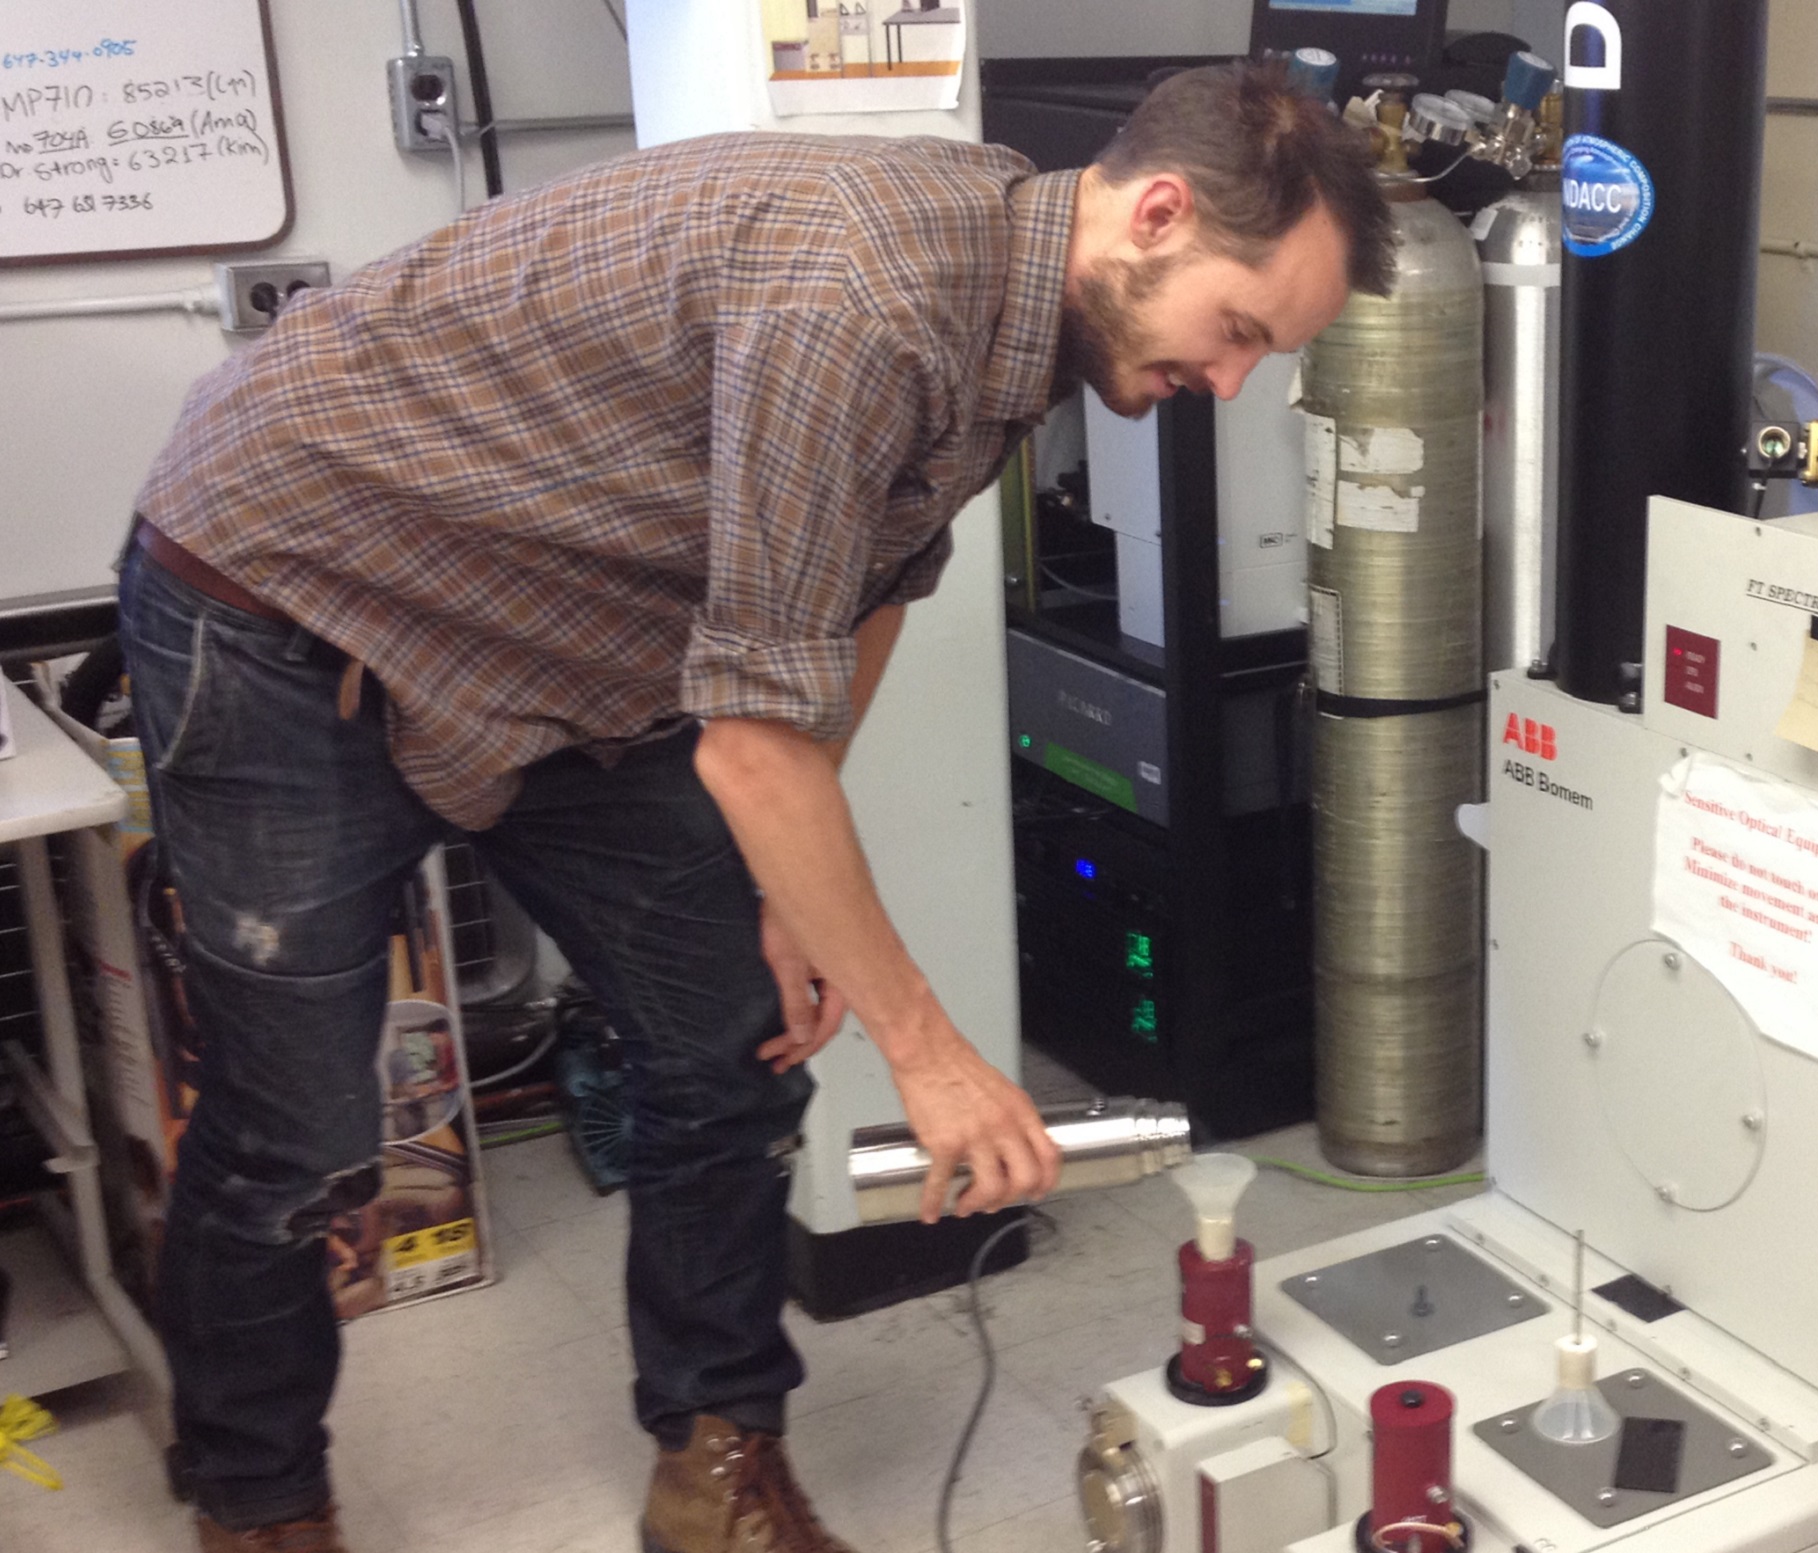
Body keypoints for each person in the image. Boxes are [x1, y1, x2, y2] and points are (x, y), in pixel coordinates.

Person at [118, 60, 1394, 1553]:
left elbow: (869, 592)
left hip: (569, 646)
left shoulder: (1025, 305)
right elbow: (748, 748)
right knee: (295, 1132)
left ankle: (714, 1470)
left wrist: (791, 892)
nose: (1228, 383)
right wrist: (935, 1055)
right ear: (1158, 214)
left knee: (733, 1044)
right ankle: (258, 1497)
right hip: (296, 594)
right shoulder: (866, 295)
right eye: (1237, 332)